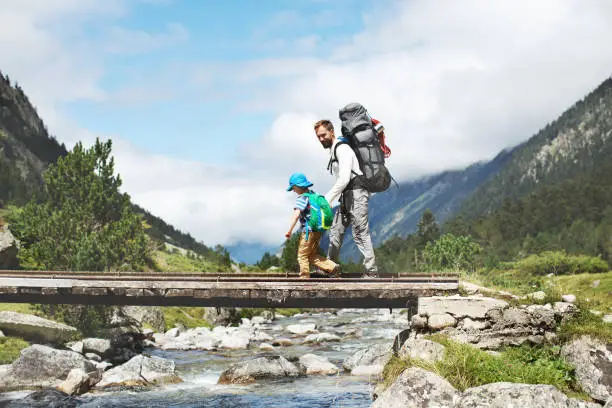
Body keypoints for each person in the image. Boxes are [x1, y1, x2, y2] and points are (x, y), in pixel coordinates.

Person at [314, 119, 379, 278]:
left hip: (357, 193)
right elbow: (342, 181)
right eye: (318, 137)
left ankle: (371, 271)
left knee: (360, 232)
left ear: (331, 132)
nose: (321, 139)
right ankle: (330, 267)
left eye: (323, 135)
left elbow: (344, 178)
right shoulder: (334, 150)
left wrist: (326, 200)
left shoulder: (342, 149)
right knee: (336, 231)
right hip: (346, 195)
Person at [285, 172, 339, 279]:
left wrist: (289, 231)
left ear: (297, 186)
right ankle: (332, 267)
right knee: (311, 256)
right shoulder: (314, 195)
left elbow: (296, 216)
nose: (293, 191)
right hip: (318, 231)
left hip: (308, 232)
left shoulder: (302, 199)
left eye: (293, 188)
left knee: (302, 255)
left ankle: (304, 277)